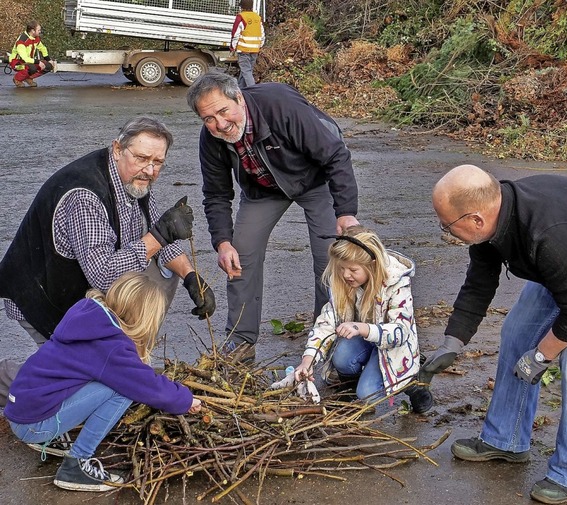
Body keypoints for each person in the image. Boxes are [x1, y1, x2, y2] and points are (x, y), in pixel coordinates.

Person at [420, 164, 567, 504]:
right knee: (517, 333)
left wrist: (541, 357)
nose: (444, 230)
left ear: (476, 218)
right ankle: (505, 441)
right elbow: (479, 286)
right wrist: (452, 342)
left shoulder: (546, 232)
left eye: (447, 224)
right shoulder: (492, 225)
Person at [0, 116, 215, 408]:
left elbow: (156, 237)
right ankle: (6, 380)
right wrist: (159, 236)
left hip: (80, 291)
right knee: (81, 383)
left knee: (165, 272)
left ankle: (125, 360)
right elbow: (103, 275)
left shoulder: (135, 179)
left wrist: (192, 277)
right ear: (117, 149)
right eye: (142, 158)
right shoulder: (85, 195)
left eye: (158, 162)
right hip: (43, 294)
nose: (150, 170)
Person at [186, 70, 359, 360]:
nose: (220, 124)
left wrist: (346, 213)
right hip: (263, 188)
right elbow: (216, 194)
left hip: (315, 178)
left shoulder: (281, 107)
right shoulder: (211, 138)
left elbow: (335, 156)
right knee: (240, 254)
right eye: (209, 119)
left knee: (329, 256)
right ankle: (241, 338)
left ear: (238, 98)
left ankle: (327, 332)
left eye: (223, 111)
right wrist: (222, 242)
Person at [4, 272, 202, 492]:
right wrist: (185, 399)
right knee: (123, 390)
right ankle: (77, 465)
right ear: (144, 316)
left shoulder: (90, 315)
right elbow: (146, 385)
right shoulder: (111, 346)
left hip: (21, 408)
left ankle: (54, 437)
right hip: (33, 424)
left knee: (105, 381)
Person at [293, 226, 432, 414]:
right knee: (342, 356)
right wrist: (307, 361)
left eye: (352, 269)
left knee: (367, 396)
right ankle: (351, 385)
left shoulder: (397, 283)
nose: (345, 275)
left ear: (372, 265)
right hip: (363, 338)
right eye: (341, 268)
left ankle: (411, 381)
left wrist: (362, 328)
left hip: (393, 348)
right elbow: (325, 324)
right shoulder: (343, 282)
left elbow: (400, 332)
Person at [230, 0, 265, 88]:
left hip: (244, 49)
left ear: (242, 7)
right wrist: (260, 45)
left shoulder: (241, 17)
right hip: (255, 49)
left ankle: (254, 91)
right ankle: (241, 90)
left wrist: (233, 47)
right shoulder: (257, 17)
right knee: (246, 71)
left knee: (246, 72)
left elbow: (235, 33)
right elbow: (262, 34)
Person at [9, 20, 54, 87]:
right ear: (33, 31)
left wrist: (48, 59)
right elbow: (25, 58)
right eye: (38, 30)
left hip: (29, 61)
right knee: (32, 68)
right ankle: (17, 79)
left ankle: (28, 78)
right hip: (17, 63)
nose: (40, 31)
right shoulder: (22, 41)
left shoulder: (36, 38)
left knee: (48, 66)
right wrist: (38, 62)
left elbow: (42, 48)